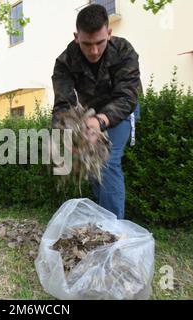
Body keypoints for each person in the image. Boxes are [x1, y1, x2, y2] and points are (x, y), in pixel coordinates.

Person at [52, 4, 142, 220]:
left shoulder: (124, 51)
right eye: (87, 44)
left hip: (121, 109)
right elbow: (63, 105)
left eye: (100, 43)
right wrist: (65, 137)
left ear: (109, 33)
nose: (94, 51)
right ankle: (103, 219)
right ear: (76, 37)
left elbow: (127, 97)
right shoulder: (65, 61)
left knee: (107, 160)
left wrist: (99, 121)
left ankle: (113, 231)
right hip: (89, 113)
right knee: (90, 163)